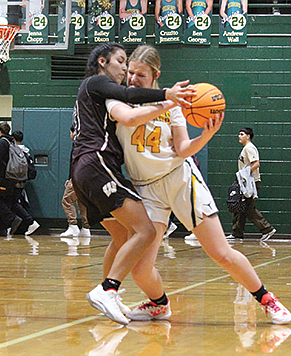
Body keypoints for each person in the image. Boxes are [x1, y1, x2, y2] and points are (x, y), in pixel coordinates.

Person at [104, 44, 291, 325]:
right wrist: (169, 101)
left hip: (179, 178)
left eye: (140, 75)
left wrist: (207, 134)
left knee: (220, 253)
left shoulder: (174, 108)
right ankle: (159, 304)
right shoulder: (120, 100)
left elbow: (182, 148)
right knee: (141, 269)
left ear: (156, 74)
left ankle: (267, 299)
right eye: (130, 72)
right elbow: (130, 118)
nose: (132, 79)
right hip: (145, 187)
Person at [70, 42, 194, 325]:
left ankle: (108, 294)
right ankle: (108, 290)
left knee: (122, 236)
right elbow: (128, 95)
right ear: (102, 61)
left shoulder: (91, 96)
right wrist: (168, 94)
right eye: (120, 61)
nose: (125, 68)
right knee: (146, 230)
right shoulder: (98, 82)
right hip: (97, 164)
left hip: (84, 170)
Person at [227, 127, 276, 241]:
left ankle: (267, 229)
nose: (239, 136)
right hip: (245, 182)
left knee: (249, 208)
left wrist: (244, 175)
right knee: (239, 207)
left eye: (242, 134)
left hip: (250, 182)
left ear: (248, 136)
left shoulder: (249, 148)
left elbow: (256, 164)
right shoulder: (245, 148)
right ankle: (237, 233)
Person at [60, 126, 90, 238]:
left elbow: (74, 163)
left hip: (78, 176)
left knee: (67, 200)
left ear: (73, 132)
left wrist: (72, 177)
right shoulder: (87, 143)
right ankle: (86, 228)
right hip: (87, 176)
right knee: (82, 202)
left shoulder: (77, 144)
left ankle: (73, 226)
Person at [12, 130, 40, 236]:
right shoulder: (26, 151)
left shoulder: (15, 151)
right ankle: (24, 225)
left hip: (15, 180)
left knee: (14, 203)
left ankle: (29, 222)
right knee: (21, 203)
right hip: (23, 181)